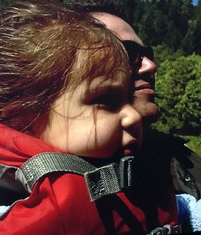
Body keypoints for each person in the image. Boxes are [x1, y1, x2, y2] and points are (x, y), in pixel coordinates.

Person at [0, 0, 181, 234]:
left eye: (127, 97)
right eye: (107, 100)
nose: (132, 116)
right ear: (23, 113)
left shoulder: (156, 168)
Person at [62, 0, 201, 233]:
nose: (151, 65)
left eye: (149, 54)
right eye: (128, 53)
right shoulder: (11, 189)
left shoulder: (181, 158)